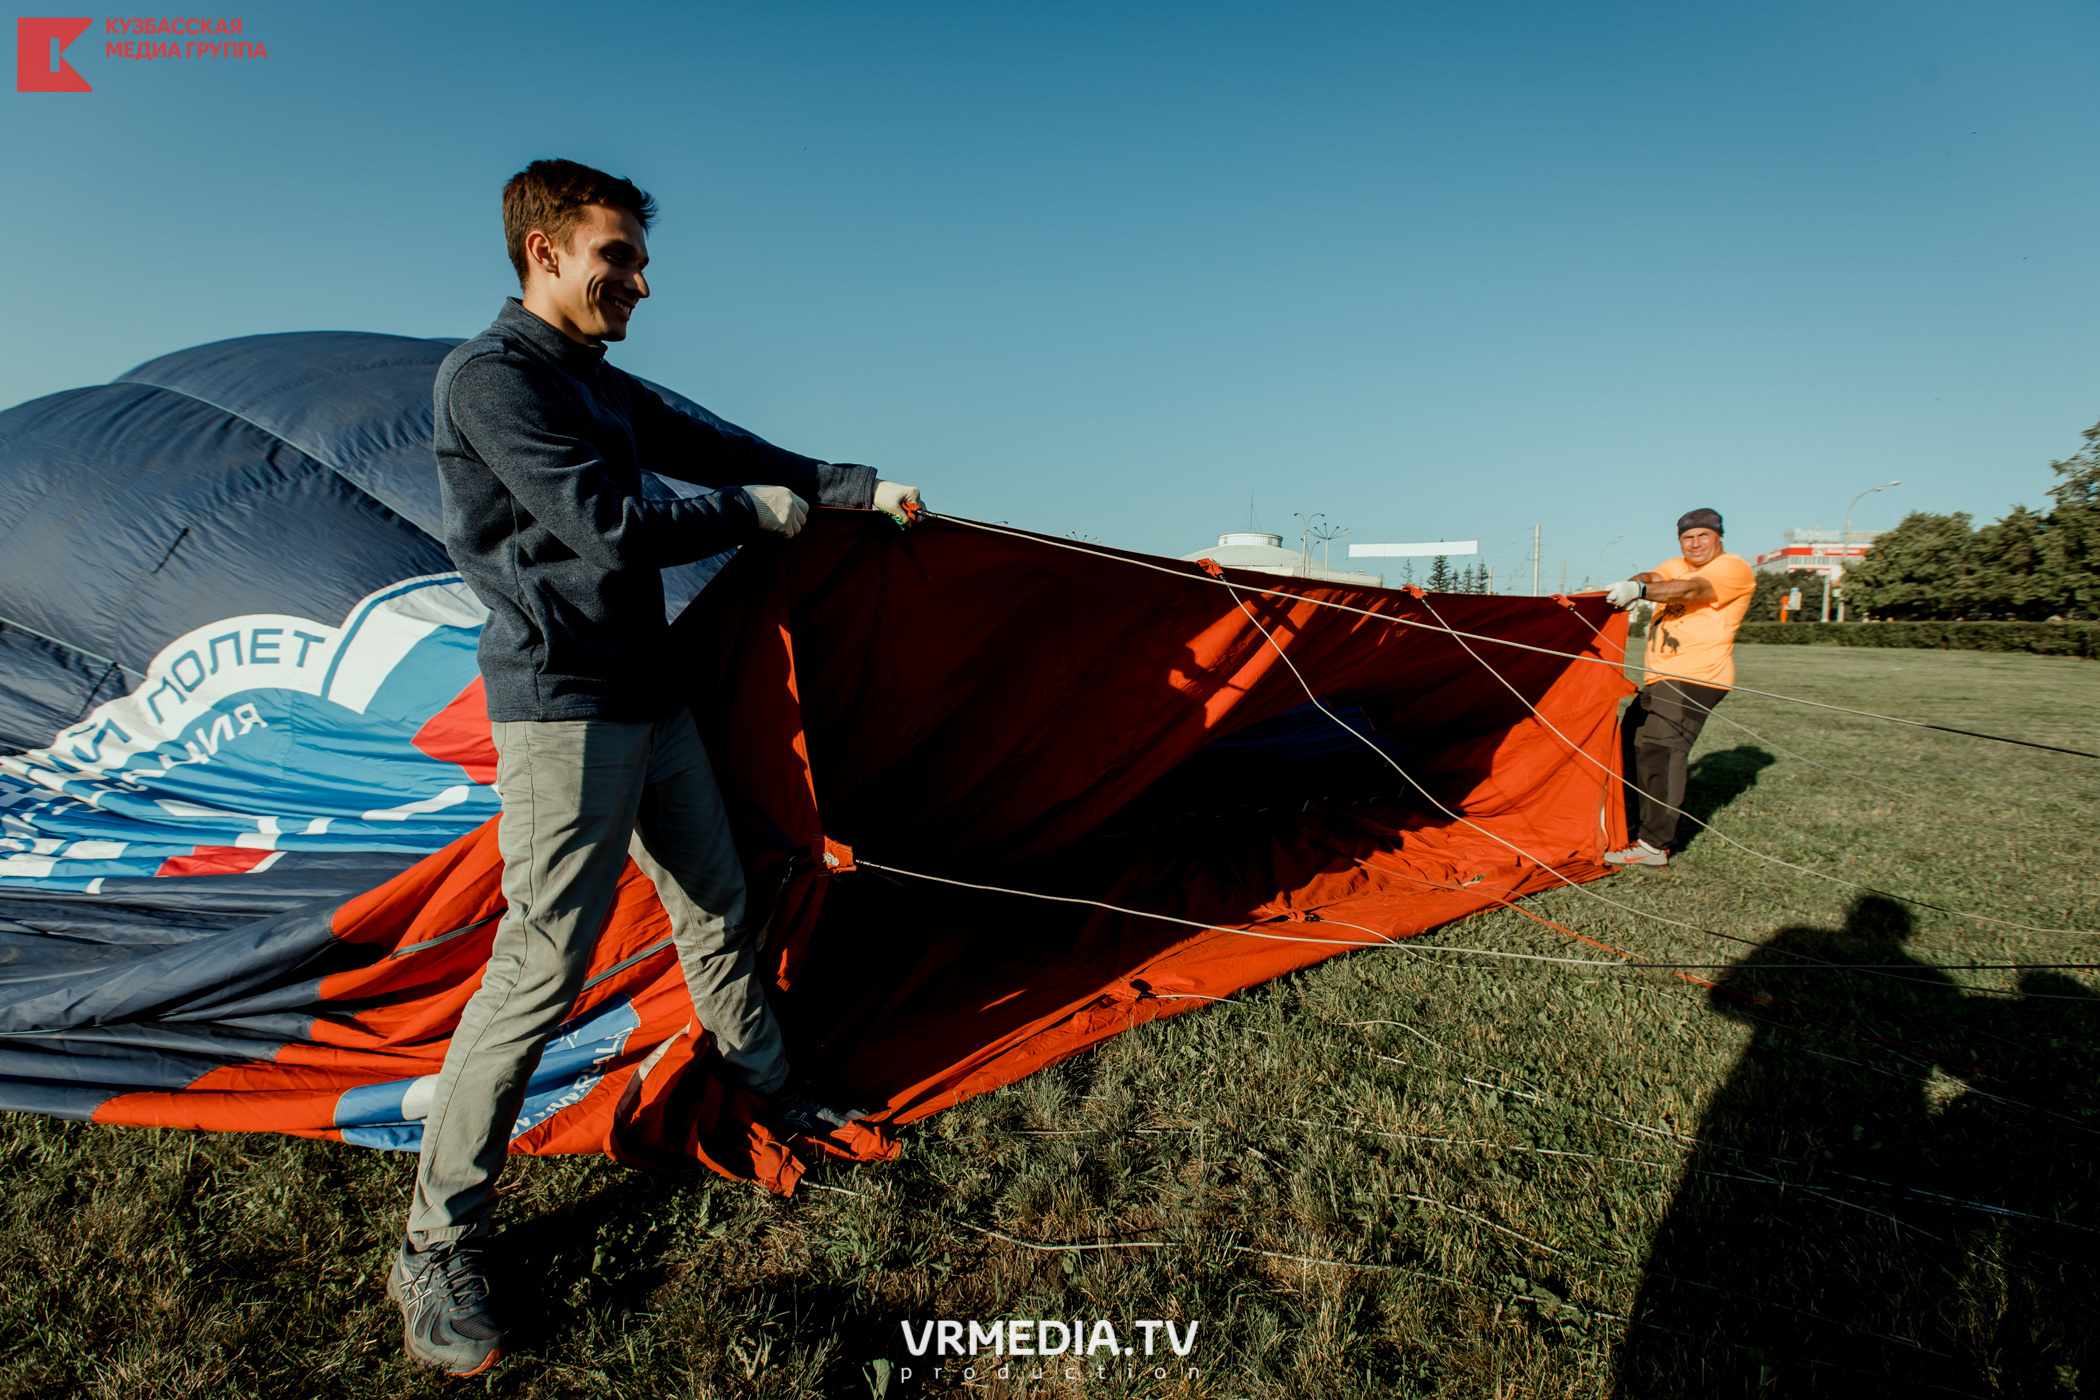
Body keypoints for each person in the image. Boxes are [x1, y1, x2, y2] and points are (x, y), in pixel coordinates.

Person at [387, 159, 925, 1376]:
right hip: (564, 714)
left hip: (650, 698)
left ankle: (767, 1088)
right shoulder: (490, 379)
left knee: (718, 901)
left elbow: (724, 442)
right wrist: (751, 514)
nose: (639, 278)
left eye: (638, 256)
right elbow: (609, 523)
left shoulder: (603, 382)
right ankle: (435, 1238)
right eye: (615, 256)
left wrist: (853, 487)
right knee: (541, 965)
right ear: (542, 254)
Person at [1600, 508, 1754, 868]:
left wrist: (1640, 591)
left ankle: (1654, 845)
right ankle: (1640, 825)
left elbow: (1692, 589)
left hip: (1695, 679)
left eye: (1703, 536)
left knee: (1660, 750)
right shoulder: (1677, 564)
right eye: (1688, 537)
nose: (1695, 543)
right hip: (1660, 678)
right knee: (1630, 743)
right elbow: (1653, 576)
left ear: (1719, 537)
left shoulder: (1731, 568)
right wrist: (1631, 584)